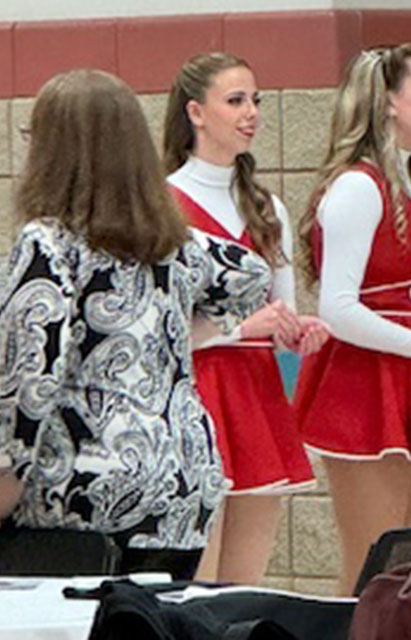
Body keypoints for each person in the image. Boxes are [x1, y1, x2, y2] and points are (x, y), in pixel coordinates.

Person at [0, 69, 272, 581]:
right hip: (178, 487)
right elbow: (249, 275)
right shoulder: (174, 243)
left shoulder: (50, 244)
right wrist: (167, 334)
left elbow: (30, 382)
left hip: (81, 494)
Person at [293, 43, 411, 596]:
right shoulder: (359, 187)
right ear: (386, 104)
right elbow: (338, 309)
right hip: (363, 389)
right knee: (373, 565)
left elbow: (410, 293)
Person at [161, 52, 328, 584]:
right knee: (198, 585)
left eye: (255, 100)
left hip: (256, 400)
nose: (251, 112)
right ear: (195, 112)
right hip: (195, 400)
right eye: (235, 101)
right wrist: (237, 329)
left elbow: (281, 316)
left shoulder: (265, 205)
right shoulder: (162, 204)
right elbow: (152, 329)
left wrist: (299, 332)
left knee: (245, 586)